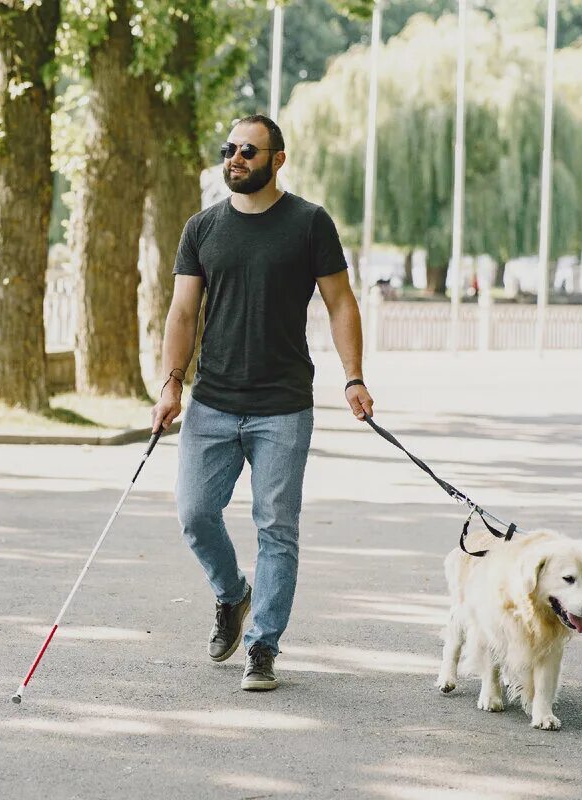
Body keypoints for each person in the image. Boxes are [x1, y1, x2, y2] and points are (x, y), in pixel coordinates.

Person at [150, 114, 374, 692]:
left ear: (278, 159)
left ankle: (263, 646)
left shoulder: (308, 224)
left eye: (249, 150)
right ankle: (233, 595)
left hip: (283, 405)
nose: (236, 158)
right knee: (195, 514)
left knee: (276, 527)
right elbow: (181, 313)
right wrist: (172, 382)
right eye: (229, 149)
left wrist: (353, 377)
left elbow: (341, 303)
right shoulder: (202, 228)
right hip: (212, 402)